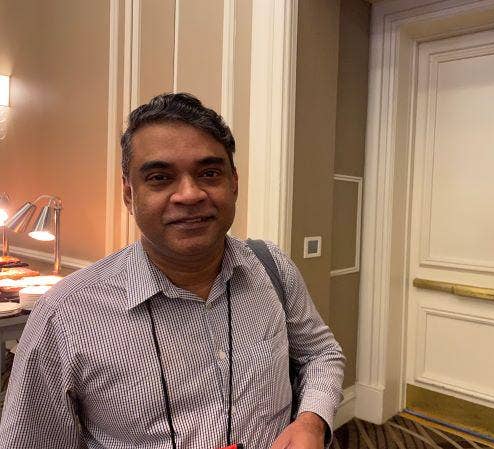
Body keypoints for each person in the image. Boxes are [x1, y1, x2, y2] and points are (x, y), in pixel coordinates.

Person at [0, 93, 345, 449]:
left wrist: (311, 422)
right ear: (129, 194)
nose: (190, 194)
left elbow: (320, 353)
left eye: (209, 173)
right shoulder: (63, 317)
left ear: (234, 183)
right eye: (160, 177)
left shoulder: (272, 268)